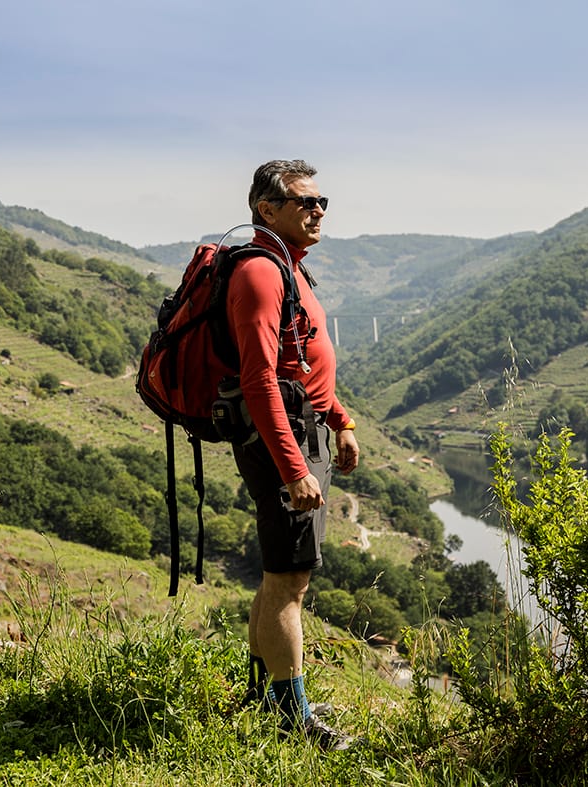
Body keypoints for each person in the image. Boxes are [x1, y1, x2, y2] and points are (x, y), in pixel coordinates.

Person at [228, 159, 359, 751]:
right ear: (267, 209)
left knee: (281, 575)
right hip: (283, 442)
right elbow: (260, 380)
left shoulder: (291, 268)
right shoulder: (260, 272)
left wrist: (341, 420)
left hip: (307, 431)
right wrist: (294, 468)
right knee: (290, 581)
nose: (319, 210)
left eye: (322, 200)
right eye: (306, 201)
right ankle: (291, 718)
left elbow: (301, 363)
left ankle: (266, 696)